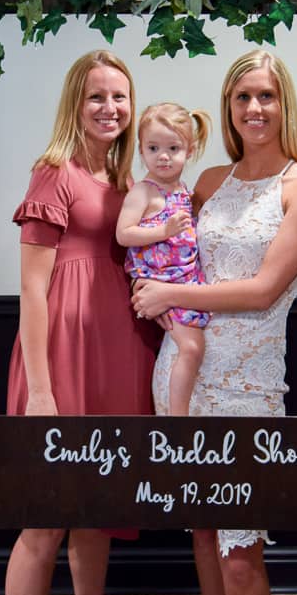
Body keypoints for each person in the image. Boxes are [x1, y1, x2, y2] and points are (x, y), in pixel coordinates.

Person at [132, 50, 297, 595]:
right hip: (183, 374)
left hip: (249, 383)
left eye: (267, 97)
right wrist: (154, 295)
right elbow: (162, 252)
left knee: (242, 549)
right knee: (203, 535)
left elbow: (262, 290)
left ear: (284, 105)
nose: (254, 109)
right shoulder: (207, 180)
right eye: (243, 96)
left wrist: (172, 295)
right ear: (227, 106)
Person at [4, 50, 159, 595]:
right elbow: (32, 290)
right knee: (44, 522)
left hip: (120, 351)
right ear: (77, 101)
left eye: (120, 97)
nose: (110, 108)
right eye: (97, 96)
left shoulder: (130, 177)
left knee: (99, 503)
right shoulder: (53, 172)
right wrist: (41, 390)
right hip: (61, 357)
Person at [116, 102, 212, 415]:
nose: (164, 156)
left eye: (173, 148)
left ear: (190, 150)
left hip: (185, 281)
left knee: (197, 346)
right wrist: (163, 230)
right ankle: (178, 415)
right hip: (162, 281)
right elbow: (124, 234)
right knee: (192, 347)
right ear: (141, 150)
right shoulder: (144, 192)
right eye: (153, 148)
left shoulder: (184, 190)